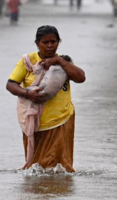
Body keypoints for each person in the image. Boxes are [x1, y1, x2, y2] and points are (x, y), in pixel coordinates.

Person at [6, 25, 86, 172]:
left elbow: (81, 78)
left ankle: (54, 192)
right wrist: (27, 93)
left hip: (60, 119)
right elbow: (11, 84)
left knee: (57, 167)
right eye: (45, 42)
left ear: (58, 42)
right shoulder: (27, 61)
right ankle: (39, 192)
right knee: (36, 168)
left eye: (54, 42)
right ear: (37, 43)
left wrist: (59, 61)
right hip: (33, 121)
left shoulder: (64, 62)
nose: (50, 46)